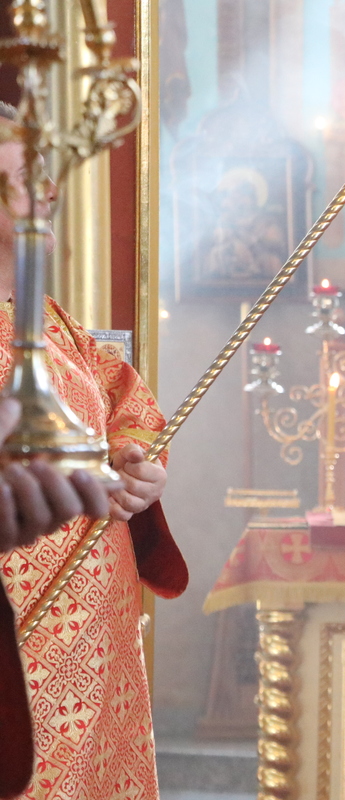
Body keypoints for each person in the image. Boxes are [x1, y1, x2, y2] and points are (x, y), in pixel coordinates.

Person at [0, 106, 187, 800]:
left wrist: (135, 462)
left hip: (95, 637)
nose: (47, 192)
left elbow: (124, 400)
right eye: (26, 178)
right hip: (22, 631)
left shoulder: (49, 318)